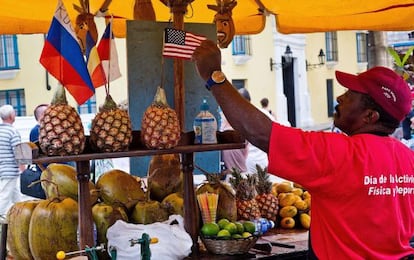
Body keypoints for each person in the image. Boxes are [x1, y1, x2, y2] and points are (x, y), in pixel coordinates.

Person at [192, 40, 414, 259]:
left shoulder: (339, 152)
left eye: (349, 95)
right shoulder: (409, 159)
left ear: (369, 116)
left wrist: (215, 77)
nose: (339, 97)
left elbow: (261, 132)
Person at [0, 104, 24, 217]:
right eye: (14, 112)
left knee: (15, 193)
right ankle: (1, 214)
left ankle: (21, 211)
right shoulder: (12, 132)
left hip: (2, 168)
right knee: (5, 194)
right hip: (10, 168)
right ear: (10, 116)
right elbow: (18, 151)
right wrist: (23, 167)